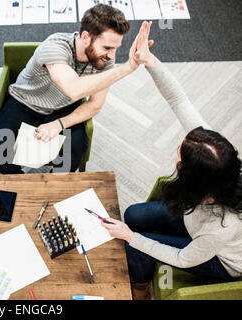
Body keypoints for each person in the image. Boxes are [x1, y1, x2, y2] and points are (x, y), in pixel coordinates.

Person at [101, 22, 242, 299]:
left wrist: (131, 238)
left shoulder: (221, 229)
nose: (179, 144)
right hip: (196, 219)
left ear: (192, 181)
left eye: (181, 152)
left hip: (221, 259)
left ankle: (140, 290)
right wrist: (149, 60)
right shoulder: (214, 159)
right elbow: (179, 99)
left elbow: (181, 257)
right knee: (132, 215)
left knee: (133, 244)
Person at [0, 4, 151, 174]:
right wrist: (128, 67)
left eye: (115, 48)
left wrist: (58, 124)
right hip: (25, 101)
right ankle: (24, 187)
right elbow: (73, 89)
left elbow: (95, 104)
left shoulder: (106, 61)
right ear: (85, 37)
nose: (112, 55)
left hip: (63, 106)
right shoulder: (55, 46)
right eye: (107, 48)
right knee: (1, 152)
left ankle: (53, 185)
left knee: (76, 148)